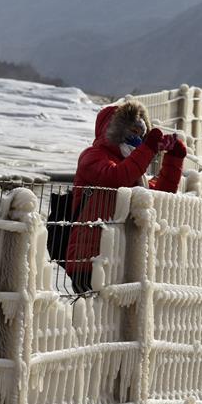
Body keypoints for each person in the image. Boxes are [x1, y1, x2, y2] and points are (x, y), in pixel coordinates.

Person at [66, 100, 186, 292]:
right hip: (89, 259)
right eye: (132, 130)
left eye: (141, 133)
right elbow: (116, 178)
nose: (137, 138)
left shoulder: (132, 167)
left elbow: (155, 196)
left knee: (112, 320)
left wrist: (174, 158)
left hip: (120, 258)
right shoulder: (93, 156)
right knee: (91, 318)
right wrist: (147, 149)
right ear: (114, 130)